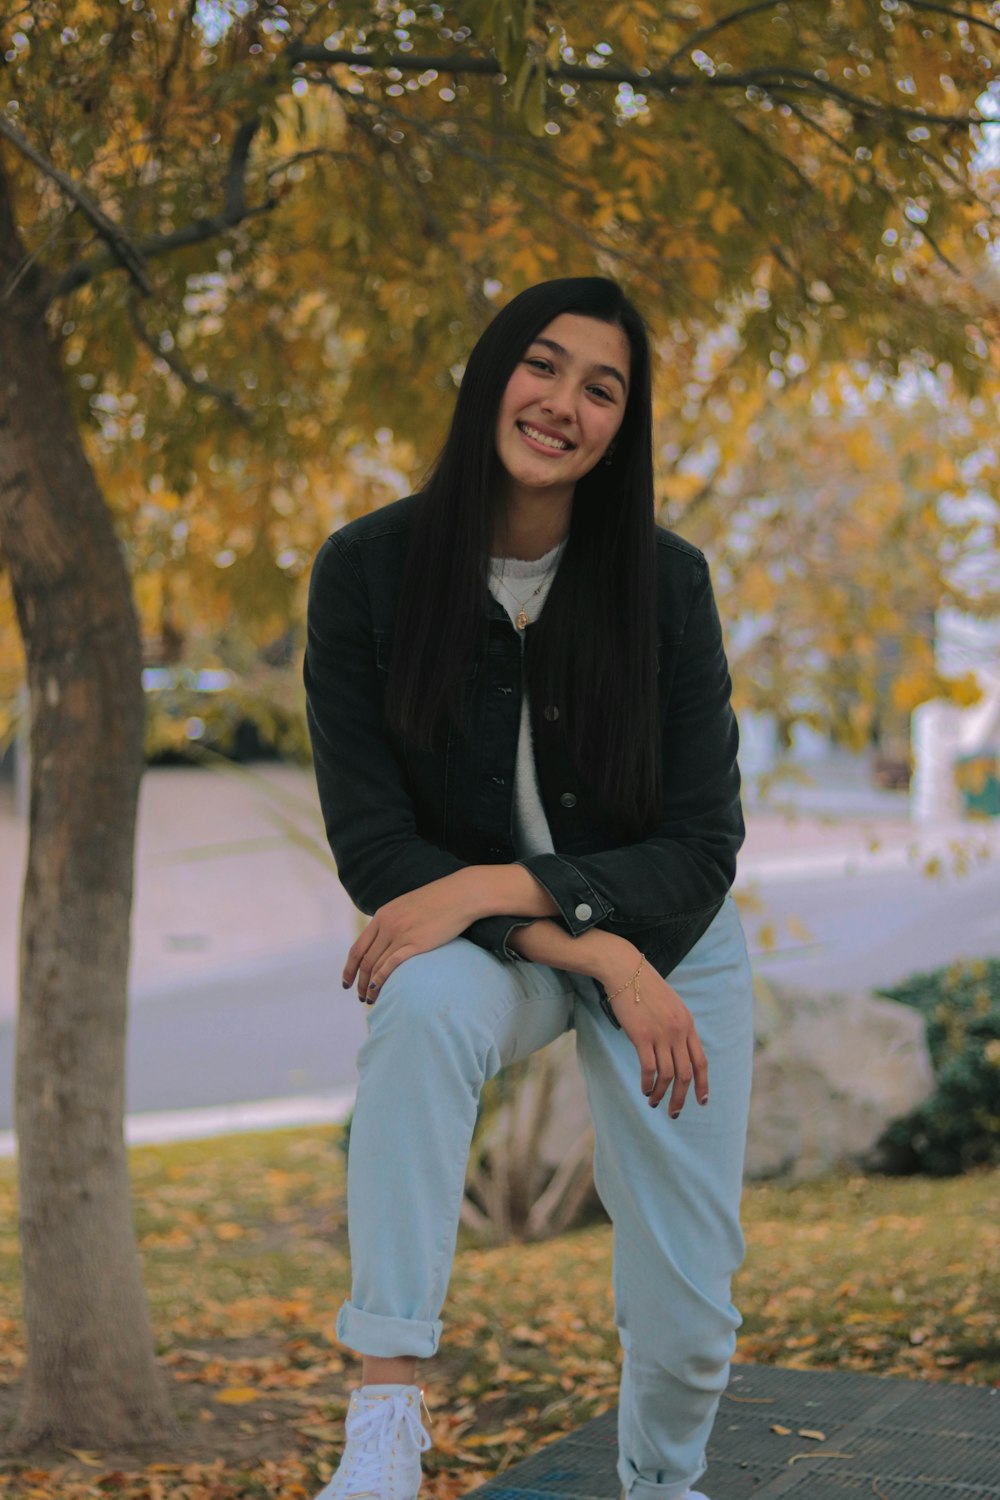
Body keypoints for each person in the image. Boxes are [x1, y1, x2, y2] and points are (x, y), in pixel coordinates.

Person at [303, 276, 753, 1500]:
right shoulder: (366, 572)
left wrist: (516, 892)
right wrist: (578, 947)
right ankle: (384, 1419)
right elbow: (376, 847)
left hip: (667, 938)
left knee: (691, 1313)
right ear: (491, 374)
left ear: (623, 427)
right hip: (505, 947)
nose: (563, 403)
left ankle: (663, 1484)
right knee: (419, 1008)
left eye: (601, 387)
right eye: (541, 365)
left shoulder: (664, 586)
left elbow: (703, 845)